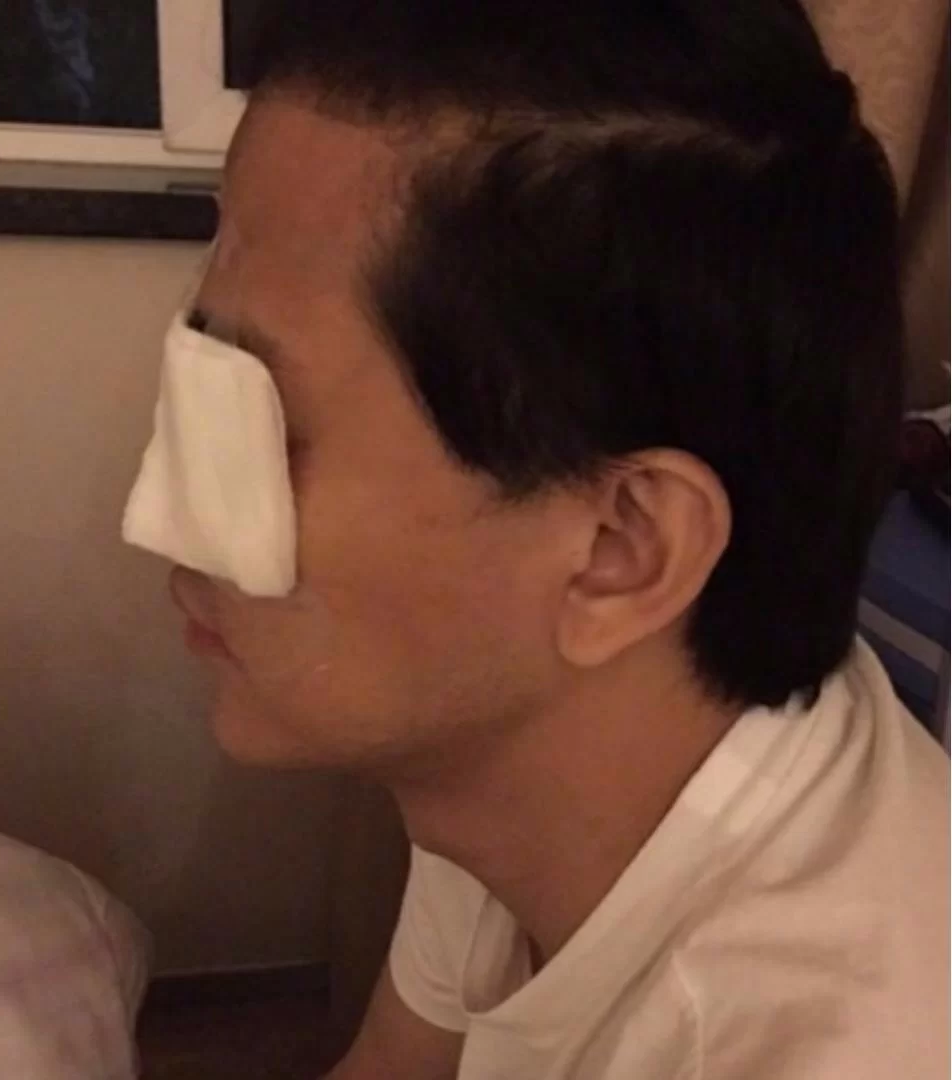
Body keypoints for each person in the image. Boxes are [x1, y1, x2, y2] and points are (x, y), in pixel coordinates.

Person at [126, 1, 949, 1076]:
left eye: (257, 416)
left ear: (620, 547)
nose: (154, 512)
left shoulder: (822, 1043)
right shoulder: (530, 761)